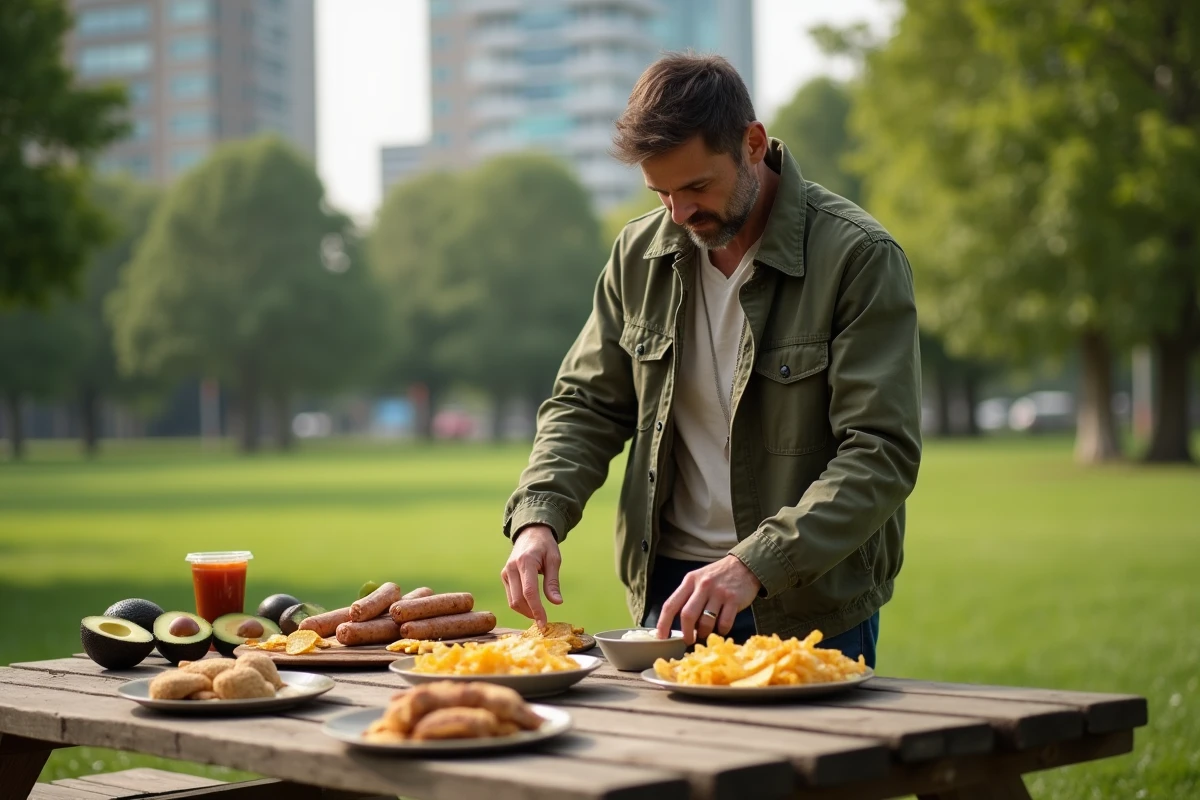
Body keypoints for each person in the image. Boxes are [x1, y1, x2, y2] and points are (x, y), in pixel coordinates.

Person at [499, 54, 921, 668]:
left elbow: (881, 451)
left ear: (753, 144)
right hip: (667, 598)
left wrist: (755, 563)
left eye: (697, 186)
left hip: (806, 604)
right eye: (660, 192)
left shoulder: (858, 257)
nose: (678, 213)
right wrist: (539, 516)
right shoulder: (637, 254)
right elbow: (585, 405)